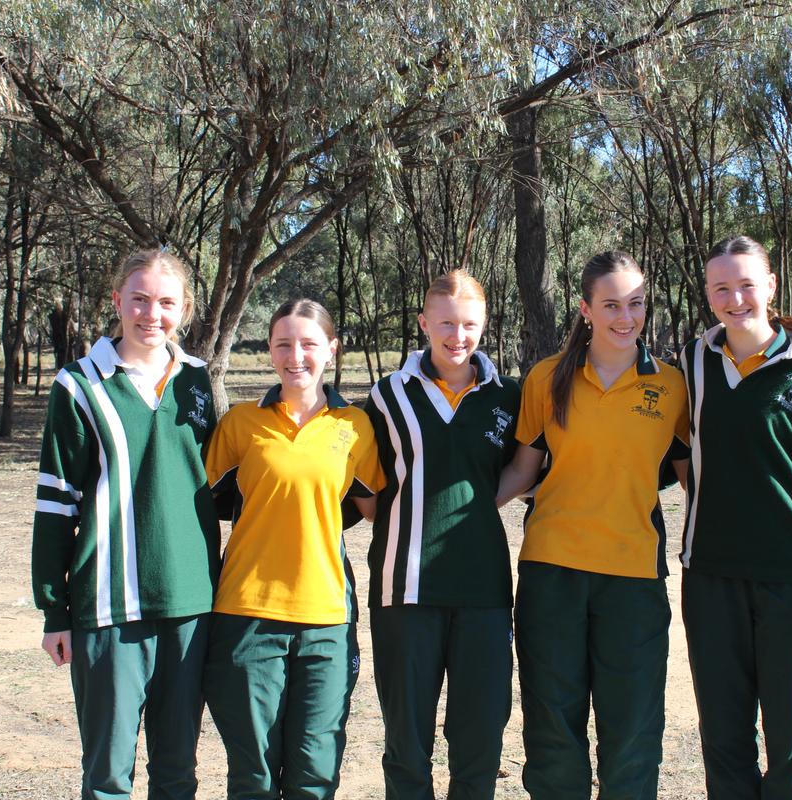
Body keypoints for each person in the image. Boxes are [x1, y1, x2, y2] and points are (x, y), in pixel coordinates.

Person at [497, 251, 692, 800]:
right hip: (551, 573)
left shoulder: (672, 387)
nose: (626, 317)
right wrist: (451, 517)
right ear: (585, 309)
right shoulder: (546, 379)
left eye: (636, 303)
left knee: (632, 730)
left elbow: (693, 480)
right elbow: (521, 471)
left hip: (633, 579)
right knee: (552, 728)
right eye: (611, 305)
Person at [31, 248, 220, 799]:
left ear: (184, 310)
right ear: (117, 301)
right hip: (110, 607)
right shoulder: (79, 385)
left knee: (177, 771)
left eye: (166, 303)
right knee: (108, 775)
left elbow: (215, 484)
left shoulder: (196, 381)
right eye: (139, 299)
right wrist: (54, 611)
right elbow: (55, 506)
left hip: (190, 604)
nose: (151, 314)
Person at [679, 235, 792, 799]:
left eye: (747, 285)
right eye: (721, 288)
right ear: (708, 294)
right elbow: (667, 446)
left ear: (772, 286)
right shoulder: (693, 362)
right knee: (723, 736)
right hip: (710, 577)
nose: (735, 299)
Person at [203, 298, 381, 799]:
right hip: (246, 615)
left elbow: (376, 510)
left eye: (308, 344)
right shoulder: (240, 424)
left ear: (332, 349)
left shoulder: (355, 426)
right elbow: (200, 509)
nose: (295, 356)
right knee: (254, 776)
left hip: (327, 620)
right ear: (269, 350)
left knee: (315, 773)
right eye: (283, 344)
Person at [363, 270, 521, 800]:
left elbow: (522, 469)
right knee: (407, 743)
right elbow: (366, 486)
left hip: (484, 589)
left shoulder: (508, 396)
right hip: (404, 589)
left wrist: (478, 505)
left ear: (484, 325)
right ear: (424, 323)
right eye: (446, 323)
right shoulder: (387, 396)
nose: (458, 336)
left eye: (469, 324)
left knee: (480, 738)